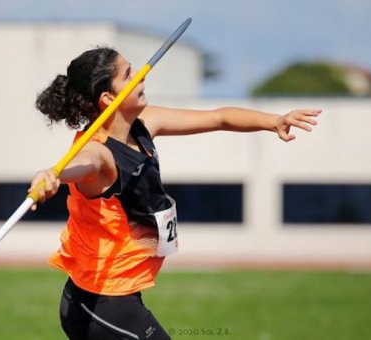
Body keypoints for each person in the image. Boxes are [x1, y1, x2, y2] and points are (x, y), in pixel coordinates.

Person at [29, 47, 320, 340]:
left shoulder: (143, 125)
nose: (143, 77)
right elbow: (81, 165)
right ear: (108, 98)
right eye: (130, 74)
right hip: (99, 304)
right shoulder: (99, 152)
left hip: (118, 295)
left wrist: (274, 121)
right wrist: (53, 174)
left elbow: (218, 118)